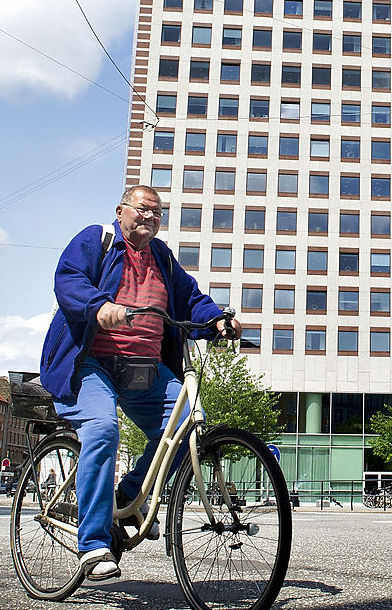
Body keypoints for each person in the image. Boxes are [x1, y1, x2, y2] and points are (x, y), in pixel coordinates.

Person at [40, 184, 237, 583]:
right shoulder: (97, 240)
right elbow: (69, 280)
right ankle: (93, 545)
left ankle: (129, 494)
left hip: (144, 368)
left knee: (188, 426)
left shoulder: (161, 256)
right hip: (91, 362)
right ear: (121, 210)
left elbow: (189, 298)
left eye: (157, 212)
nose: (149, 216)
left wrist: (217, 319)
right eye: (143, 208)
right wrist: (100, 307)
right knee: (103, 430)